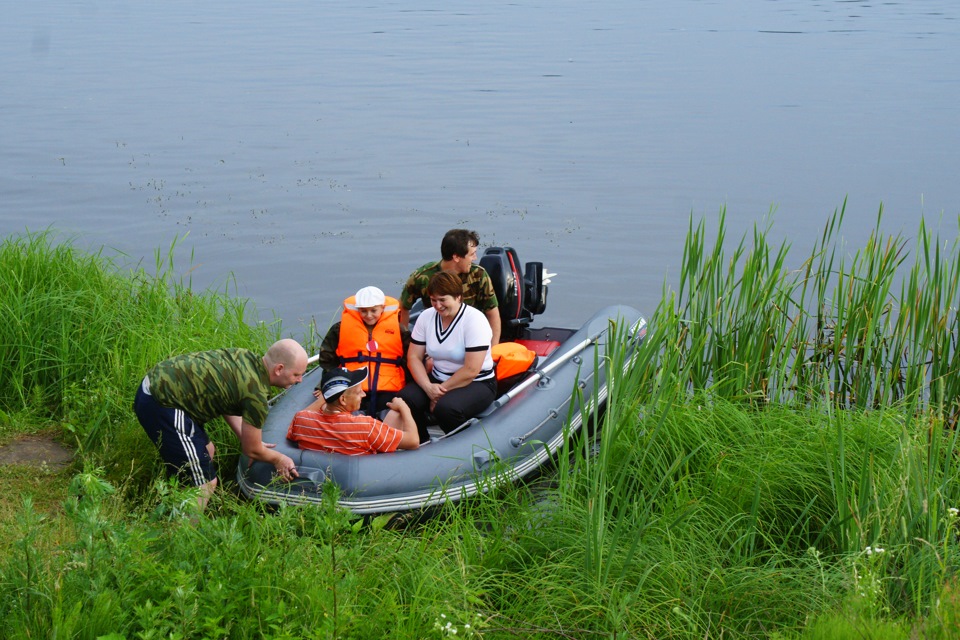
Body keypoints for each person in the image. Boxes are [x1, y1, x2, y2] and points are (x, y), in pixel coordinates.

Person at [133, 339, 308, 509]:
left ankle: (177, 503)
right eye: (296, 374)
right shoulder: (256, 396)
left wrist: (248, 439)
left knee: (207, 451)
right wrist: (279, 459)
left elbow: (228, 402)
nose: (300, 380)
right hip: (161, 402)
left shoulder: (245, 357)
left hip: (155, 385)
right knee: (205, 484)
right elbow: (251, 450)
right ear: (279, 369)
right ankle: (182, 532)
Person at [397, 271, 497, 443]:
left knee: (446, 408)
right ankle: (421, 441)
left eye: (443, 300)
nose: (437, 305)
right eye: (434, 300)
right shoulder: (426, 317)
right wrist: (428, 387)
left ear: (458, 297)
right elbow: (413, 357)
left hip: (477, 382)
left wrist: (439, 393)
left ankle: (464, 445)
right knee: (406, 399)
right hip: (438, 377)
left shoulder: (474, 320)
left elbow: (471, 370)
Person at [313, 286, 409, 416]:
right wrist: (324, 383)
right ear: (358, 309)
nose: (368, 315)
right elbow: (327, 359)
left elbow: (408, 358)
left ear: (382, 308)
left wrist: (409, 383)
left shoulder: (399, 330)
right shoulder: (339, 329)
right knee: (352, 414)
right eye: (363, 311)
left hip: (389, 386)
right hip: (353, 386)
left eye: (373, 310)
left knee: (389, 414)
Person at [398, 228, 501, 345]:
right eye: (471, 254)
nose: (475, 258)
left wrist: (493, 349)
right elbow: (403, 307)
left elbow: (492, 313)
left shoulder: (478, 275)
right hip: (436, 334)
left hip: (469, 334)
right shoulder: (423, 277)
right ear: (456, 257)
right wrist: (405, 341)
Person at [289, 367, 420, 455]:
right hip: (367, 479)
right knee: (397, 414)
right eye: (358, 392)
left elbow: (300, 422)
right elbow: (413, 441)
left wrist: (326, 398)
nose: (363, 395)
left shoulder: (301, 420)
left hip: (327, 480)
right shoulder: (366, 427)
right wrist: (404, 408)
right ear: (343, 400)